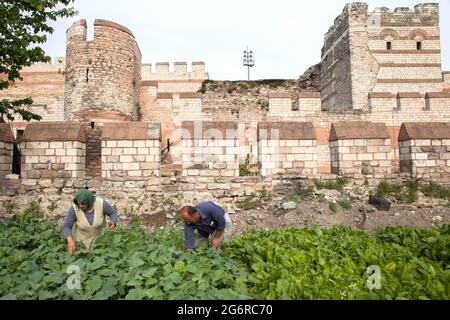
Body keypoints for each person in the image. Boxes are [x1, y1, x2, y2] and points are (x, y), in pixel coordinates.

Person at [63, 189, 118, 253]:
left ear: (89, 202)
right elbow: (67, 226)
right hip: (82, 247)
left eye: (83, 204)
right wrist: (70, 241)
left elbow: (113, 213)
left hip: (101, 245)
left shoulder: (100, 203)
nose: (80, 206)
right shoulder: (74, 209)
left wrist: (113, 222)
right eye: (78, 203)